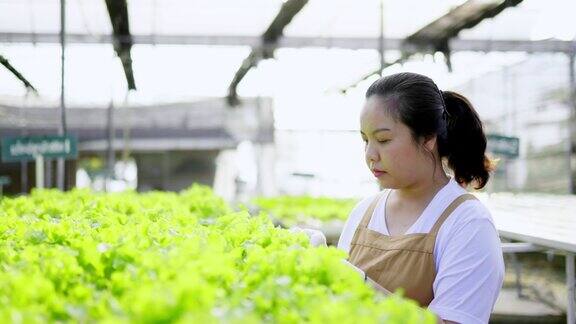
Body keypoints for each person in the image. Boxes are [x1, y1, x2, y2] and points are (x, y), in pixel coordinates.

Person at [334, 72, 504, 324]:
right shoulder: (364, 212)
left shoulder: (468, 223)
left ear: (427, 138)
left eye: (383, 139)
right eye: (365, 140)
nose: (370, 154)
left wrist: (363, 285)